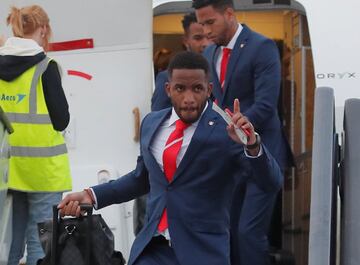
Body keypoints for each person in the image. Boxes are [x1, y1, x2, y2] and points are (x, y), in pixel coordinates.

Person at [58, 51, 282, 265]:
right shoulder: (151, 123)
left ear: (209, 89)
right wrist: (91, 195)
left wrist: (252, 145)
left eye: (197, 89)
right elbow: (141, 179)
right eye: (180, 88)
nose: (189, 98)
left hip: (203, 251)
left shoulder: (226, 130)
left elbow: (271, 182)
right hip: (152, 249)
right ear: (168, 89)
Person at [193, 1, 294, 264]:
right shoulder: (209, 54)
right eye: (201, 24)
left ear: (229, 14)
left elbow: (265, 104)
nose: (205, 31)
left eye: (210, 22)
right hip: (229, 158)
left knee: (248, 232)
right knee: (228, 231)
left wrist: (241, 123)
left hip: (263, 155)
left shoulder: (262, 47)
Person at [0, 5, 72, 265]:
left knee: (8, 244)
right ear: (43, 29)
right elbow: (61, 119)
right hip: (43, 172)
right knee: (40, 246)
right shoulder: (46, 67)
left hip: (7, 171)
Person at [151, 12, 211, 111]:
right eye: (198, 38)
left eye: (209, 37)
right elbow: (159, 118)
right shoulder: (166, 77)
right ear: (185, 41)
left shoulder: (221, 73)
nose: (206, 43)